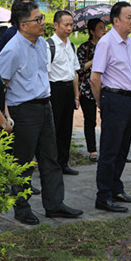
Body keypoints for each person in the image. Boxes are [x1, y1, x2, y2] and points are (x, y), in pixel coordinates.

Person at [0, 0, 83, 225]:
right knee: (23, 162)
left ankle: (54, 204)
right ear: (23, 24)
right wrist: (6, 116)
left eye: (42, 17)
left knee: (50, 158)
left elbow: (42, 75)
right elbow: (1, 86)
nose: (42, 22)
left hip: (44, 106)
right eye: (37, 19)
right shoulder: (12, 49)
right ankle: (22, 207)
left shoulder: (42, 44)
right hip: (22, 110)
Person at [90, 1, 131, 213]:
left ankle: (115, 188)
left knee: (122, 149)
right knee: (110, 150)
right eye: (129, 17)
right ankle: (103, 196)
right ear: (116, 20)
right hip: (113, 99)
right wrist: (101, 102)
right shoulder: (106, 42)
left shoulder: (127, 41)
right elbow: (95, 77)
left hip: (128, 100)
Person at [47, 10, 80, 176]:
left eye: (71, 25)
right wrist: (47, 97)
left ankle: (63, 163)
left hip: (68, 91)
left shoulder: (71, 45)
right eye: (66, 25)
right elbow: (44, 74)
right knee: (54, 129)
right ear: (56, 25)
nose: (69, 28)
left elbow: (75, 72)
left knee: (66, 129)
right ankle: (51, 165)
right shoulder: (49, 46)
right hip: (55, 90)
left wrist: (76, 95)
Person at [77, 18, 107, 163]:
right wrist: (96, 59)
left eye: (104, 27)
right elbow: (79, 68)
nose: (104, 30)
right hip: (87, 89)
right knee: (90, 120)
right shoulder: (84, 47)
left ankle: (110, 149)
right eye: (100, 28)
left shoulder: (107, 46)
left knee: (108, 120)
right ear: (92, 31)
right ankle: (92, 150)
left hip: (106, 87)